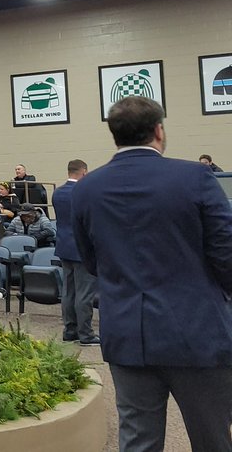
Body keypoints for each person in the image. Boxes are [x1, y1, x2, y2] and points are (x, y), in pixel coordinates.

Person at [73, 96, 232, 451]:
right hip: (198, 333)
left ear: (114, 135)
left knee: (138, 441)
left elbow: (90, 261)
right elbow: (226, 254)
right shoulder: (197, 177)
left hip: (127, 334)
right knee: (213, 440)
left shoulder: (86, 189)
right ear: (159, 131)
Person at [52, 159, 97, 346]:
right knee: (84, 294)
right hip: (82, 249)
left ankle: (70, 331)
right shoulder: (85, 193)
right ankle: (85, 334)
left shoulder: (57, 193)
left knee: (68, 292)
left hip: (64, 247)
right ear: (84, 172)